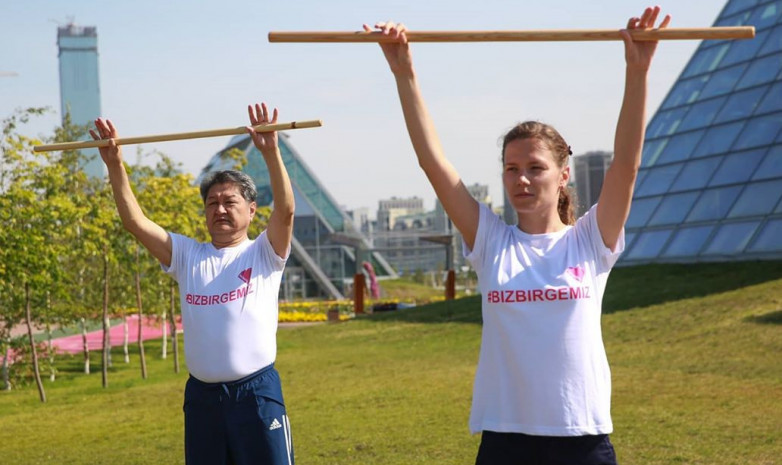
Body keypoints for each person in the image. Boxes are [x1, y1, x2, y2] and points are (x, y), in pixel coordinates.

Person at [367, 6, 669, 465]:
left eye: (535, 168)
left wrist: (638, 70)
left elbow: (626, 165)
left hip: (581, 439)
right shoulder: (492, 241)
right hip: (506, 439)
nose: (521, 180)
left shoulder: (589, 240)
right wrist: (404, 72)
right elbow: (435, 165)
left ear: (564, 174)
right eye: (511, 169)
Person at [90, 102, 295, 465]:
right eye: (212, 202)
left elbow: (286, 211)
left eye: (229, 201)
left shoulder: (264, 252)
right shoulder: (187, 255)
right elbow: (135, 222)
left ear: (251, 210)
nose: (219, 209)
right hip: (203, 400)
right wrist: (115, 165)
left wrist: (271, 152)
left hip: (257, 396)